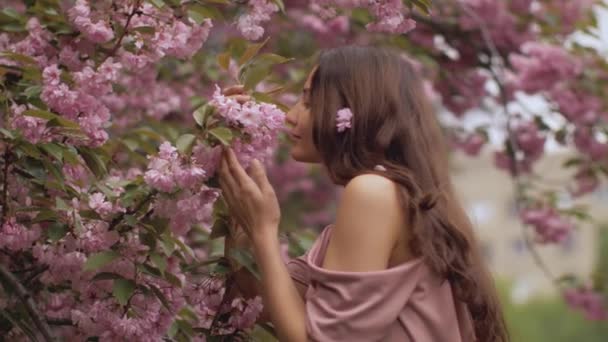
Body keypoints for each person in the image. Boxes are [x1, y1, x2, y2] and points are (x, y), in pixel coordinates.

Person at [218, 45, 508, 342]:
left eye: (308, 100)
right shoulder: (400, 195)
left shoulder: (373, 192)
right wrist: (237, 189)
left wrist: (264, 230)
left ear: (352, 110)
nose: (290, 116)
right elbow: (264, 302)